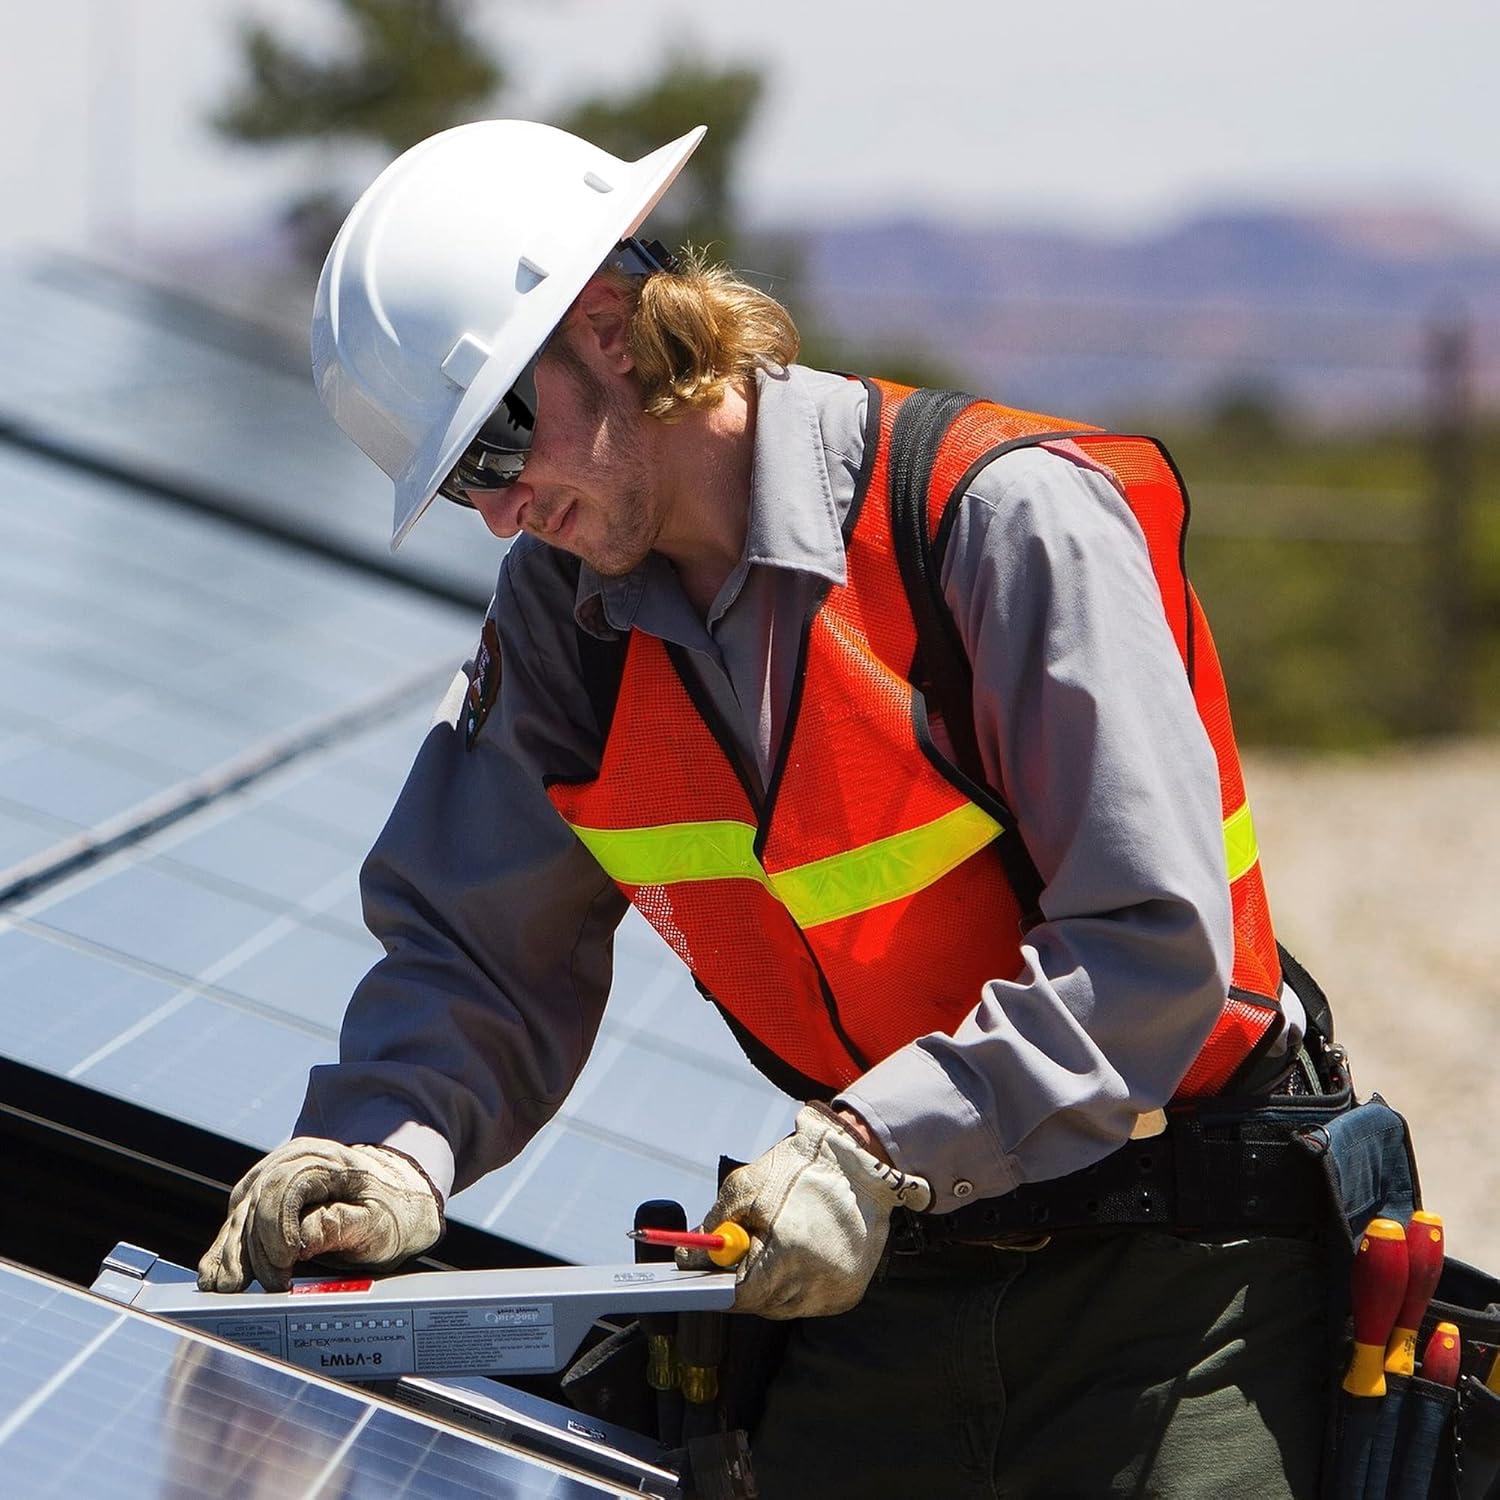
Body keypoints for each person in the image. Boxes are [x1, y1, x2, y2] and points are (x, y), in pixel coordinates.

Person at [200, 121, 1334, 1497]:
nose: (501, 515)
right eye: (458, 485)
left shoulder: (997, 524)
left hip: (1170, 1279)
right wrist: (376, 1149)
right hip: (884, 1280)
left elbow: (1152, 950)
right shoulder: (569, 625)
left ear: (614, 327)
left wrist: (877, 1145)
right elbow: (479, 948)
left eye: (499, 444)